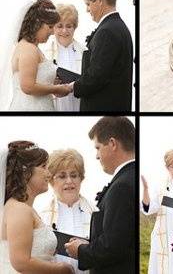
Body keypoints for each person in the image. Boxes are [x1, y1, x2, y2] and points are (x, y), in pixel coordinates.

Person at [64, 117, 135, 274]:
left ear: (112, 143)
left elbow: (113, 246)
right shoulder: (129, 177)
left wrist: (81, 250)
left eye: (97, 148)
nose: (97, 156)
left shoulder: (122, 186)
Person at [0, 141, 74, 273]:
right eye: (44, 166)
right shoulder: (19, 210)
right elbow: (21, 262)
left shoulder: (26, 208)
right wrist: (62, 269)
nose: (49, 174)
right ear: (25, 171)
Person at [69, 0, 133, 111]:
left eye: (88, 4)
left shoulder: (107, 31)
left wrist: (72, 87)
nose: (87, 10)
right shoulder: (118, 26)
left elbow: (97, 76)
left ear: (99, 0)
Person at [1, 0, 72, 111]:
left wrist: (52, 83)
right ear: (37, 24)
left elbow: (36, 80)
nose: (53, 32)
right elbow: (28, 87)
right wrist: (55, 89)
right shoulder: (28, 48)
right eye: (49, 27)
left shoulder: (33, 47)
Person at [40, 149, 97, 274]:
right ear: (51, 180)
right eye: (62, 176)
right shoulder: (41, 217)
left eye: (74, 175)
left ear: (81, 178)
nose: (69, 181)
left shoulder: (96, 213)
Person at [141, 149, 173, 274]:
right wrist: (145, 190)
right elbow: (149, 208)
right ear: (167, 167)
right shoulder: (161, 186)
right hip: (163, 234)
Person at [42, 4, 85, 111]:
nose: (64, 31)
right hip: (55, 103)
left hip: (78, 102)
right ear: (53, 28)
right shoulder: (44, 53)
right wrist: (51, 84)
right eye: (60, 26)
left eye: (69, 26)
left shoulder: (85, 51)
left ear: (75, 27)